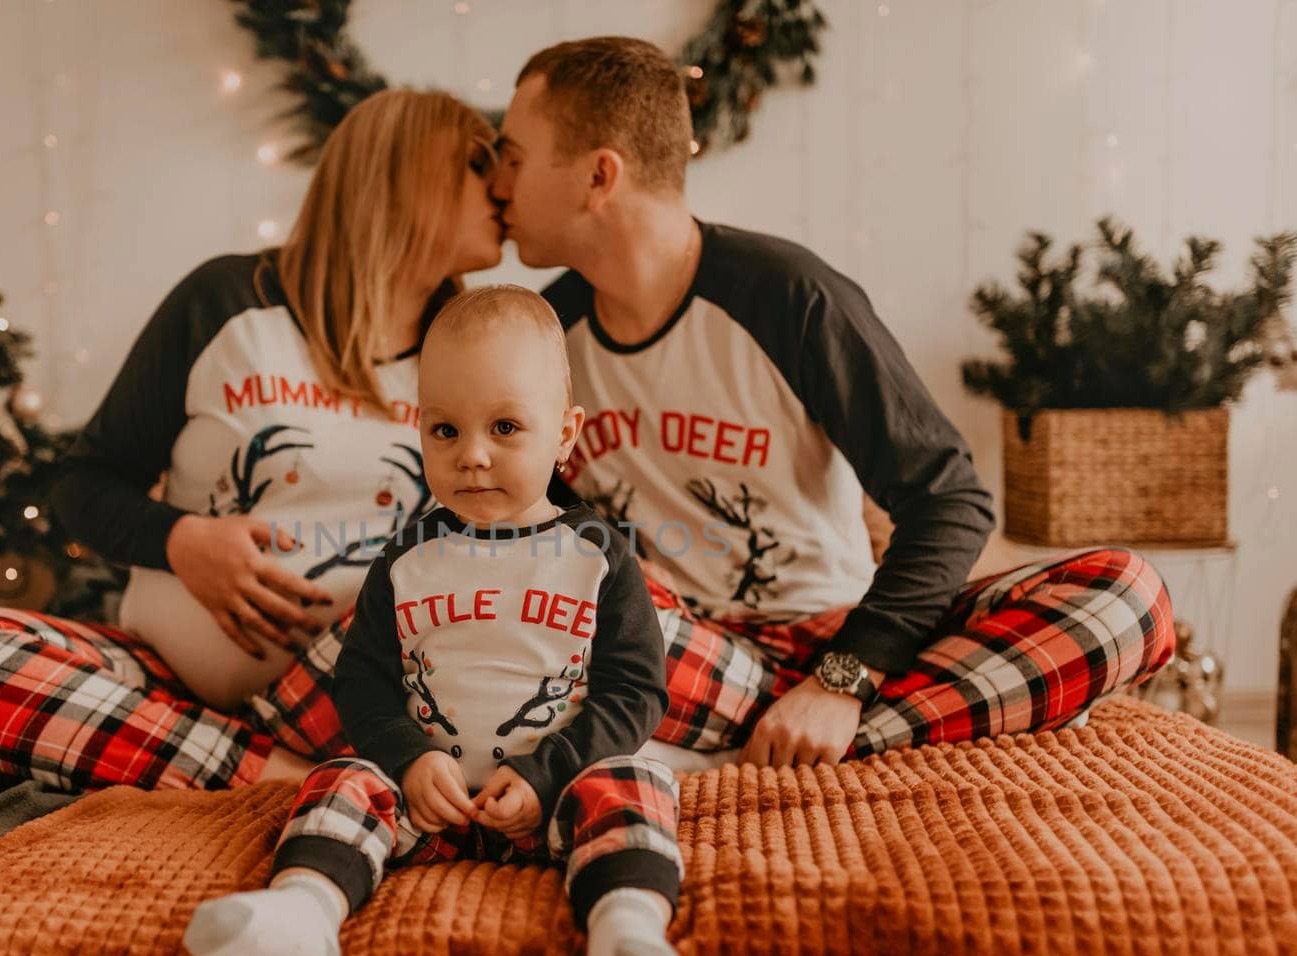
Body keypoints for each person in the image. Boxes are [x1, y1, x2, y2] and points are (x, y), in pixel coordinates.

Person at [248, 37, 1174, 773]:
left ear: (598, 177)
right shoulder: (538, 333)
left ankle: (815, 741)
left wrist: (842, 684)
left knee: (1123, 597)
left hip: (826, 635)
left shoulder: (790, 298)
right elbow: (490, 518)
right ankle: (777, 747)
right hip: (662, 648)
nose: (498, 185)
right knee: (438, 595)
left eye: (517, 158)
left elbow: (950, 499)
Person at [0, 89, 505, 791]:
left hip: (354, 696)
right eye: (478, 164)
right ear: (401, 173)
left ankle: (233, 764)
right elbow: (81, 487)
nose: (502, 184)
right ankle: (280, 778)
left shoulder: (476, 347)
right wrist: (183, 542)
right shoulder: (226, 301)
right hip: (166, 682)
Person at [183, 286, 692, 956]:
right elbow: (362, 681)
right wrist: (409, 759)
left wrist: (548, 774)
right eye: (445, 430)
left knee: (633, 781)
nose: (472, 455)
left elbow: (636, 694)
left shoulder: (598, 557)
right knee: (342, 782)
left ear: (565, 433)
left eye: (506, 426)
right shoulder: (407, 558)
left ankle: (625, 930)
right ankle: (302, 914)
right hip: (430, 808)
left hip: (555, 799)